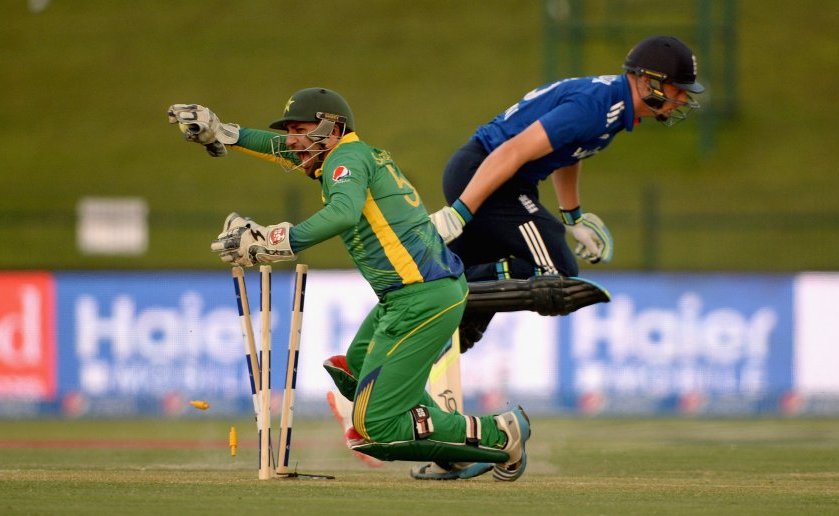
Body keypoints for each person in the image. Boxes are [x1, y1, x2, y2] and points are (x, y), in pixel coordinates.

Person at [167, 87, 531, 481]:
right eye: (290, 130)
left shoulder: (347, 157)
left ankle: (500, 435)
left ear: (333, 126)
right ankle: (454, 449)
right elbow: (279, 148)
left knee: (375, 429)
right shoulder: (345, 155)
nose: (292, 140)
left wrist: (277, 240)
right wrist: (224, 132)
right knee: (353, 370)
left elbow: (342, 213)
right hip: (407, 296)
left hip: (424, 297)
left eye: (300, 129)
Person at [428, 35, 705, 349]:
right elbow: (512, 151)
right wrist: (460, 211)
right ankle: (451, 291)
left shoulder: (612, 106)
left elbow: (569, 153)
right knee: (556, 272)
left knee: (495, 280)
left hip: (494, 179)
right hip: (487, 176)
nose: (682, 98)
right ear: (648, 80)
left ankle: (450, 327)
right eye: (677, 89)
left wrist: (573, 216)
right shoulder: (596, 108)